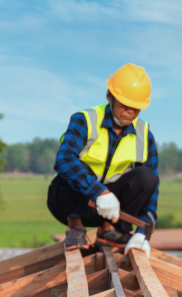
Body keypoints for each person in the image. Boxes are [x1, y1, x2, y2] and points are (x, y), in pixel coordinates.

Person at [48, 64, 159, 253]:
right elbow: (64, 159)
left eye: (136, 108)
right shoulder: (85, 120)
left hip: (115, 212)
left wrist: (142, 232)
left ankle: (111, 231)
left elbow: (151, 188)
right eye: (125, 104)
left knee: (147, 176)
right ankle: (75, 228)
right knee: (72, 168)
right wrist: (99, 192)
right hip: (74, 203)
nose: (130, 111)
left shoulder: (144, 134)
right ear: (109, 96)